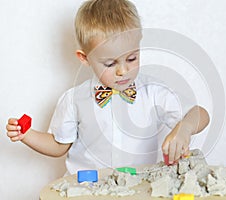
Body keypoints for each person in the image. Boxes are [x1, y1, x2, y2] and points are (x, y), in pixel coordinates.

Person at [6, 0, 210, 175]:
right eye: (110, 64)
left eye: (132, 58)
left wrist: (185, 129)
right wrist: (27, 135)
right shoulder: (74, 99)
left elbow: (200, 114)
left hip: (141, 188)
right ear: (85, 58)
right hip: (87, 191)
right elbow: (59, 145)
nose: (123, 71)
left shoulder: (154, 91)